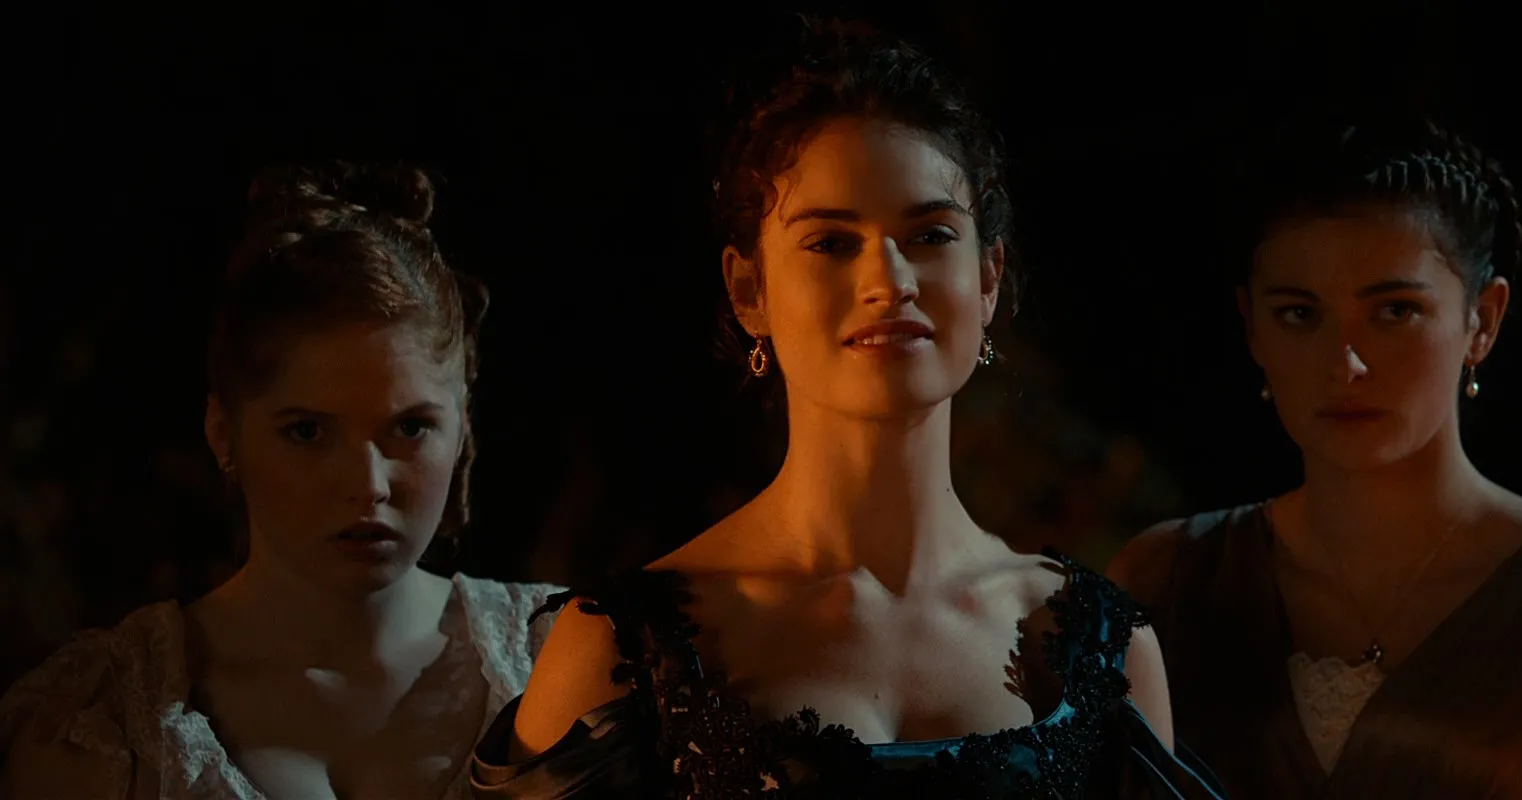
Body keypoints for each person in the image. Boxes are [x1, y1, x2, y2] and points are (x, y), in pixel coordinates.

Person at [468, 17, 1224, 799]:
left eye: (930, 235)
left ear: (988, 279)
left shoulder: (1102, 648)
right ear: (749, 290)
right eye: (831, 243)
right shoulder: (620, 656)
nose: (890, 280)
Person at [1107, 119, 1522, 798]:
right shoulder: (1169, 579)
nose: (1346, 364)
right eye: (1300, 314)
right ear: (1252, 328)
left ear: (1483, 320)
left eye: (1395, 312)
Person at [0, 162, 565, 799]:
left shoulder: (564, 661)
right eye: (307, 431)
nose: (369, 484)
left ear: (461, 424)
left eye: (410, 428)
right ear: (224, 432)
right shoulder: (97, 729)